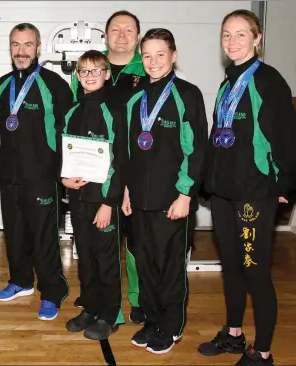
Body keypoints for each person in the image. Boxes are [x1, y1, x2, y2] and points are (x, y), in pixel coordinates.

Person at [198, 10, 296, 366]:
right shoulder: (227, 84)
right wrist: (208, 181)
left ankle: (264, 351)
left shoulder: (269, 82)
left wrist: (285, 184)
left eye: (241, 34)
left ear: (257, 39)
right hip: (225, 192)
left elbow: (285, 139)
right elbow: (217, 137)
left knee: (254, 267)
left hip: (255, 192)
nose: (233, 41)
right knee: (233, 265)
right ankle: (234, 333)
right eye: (227, 34)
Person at [122, 28, 207, 354]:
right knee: (145, 264)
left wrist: (185, 194)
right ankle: (154, 320)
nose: (154, 61)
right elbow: (130, 150)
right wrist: (128, 190)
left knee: (170, 269)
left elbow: (196, 149)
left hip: (173, 201)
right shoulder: (135, 99)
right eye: (147, 55)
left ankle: (171, 327)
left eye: (160, 54)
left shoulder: (188, 94)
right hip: (140, 201)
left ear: (173, 55)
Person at [70, 11, 147, 324]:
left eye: (129, 30)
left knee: (133, 244)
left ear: (138, 36)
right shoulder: (91, 67)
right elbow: (74, 141)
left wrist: (116, 192)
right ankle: (93, 302)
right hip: (87, 184)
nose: (122, 35)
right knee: (90, 251)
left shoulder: (150, 67)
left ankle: (135, 300)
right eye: (116, 29)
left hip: (133, 172)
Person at [0, 23, 71, 320]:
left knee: (44, 237)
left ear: (38, 48)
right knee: (15, 233)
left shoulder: (55, 85)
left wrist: (64, 174)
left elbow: (67, 132)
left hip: (43, 175)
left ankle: (53, 290)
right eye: (15, 44)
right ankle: (21, 280)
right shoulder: (1, 86)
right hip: (9, 173)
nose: (21, 51)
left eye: (27, 45)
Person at [61, 50, 126, 338]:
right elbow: (64, 154)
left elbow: (120, 161)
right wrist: (63, 179)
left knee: (106, 260)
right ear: (77, 75)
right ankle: (90, 307)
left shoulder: (114, 112)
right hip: (77, 199)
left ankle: (110, 314)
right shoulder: (72, 112)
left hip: (102, 202)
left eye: (96, 70)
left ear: (107, 74)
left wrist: (108, 202)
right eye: (84, 71)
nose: (89, 76)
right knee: (85, 257)